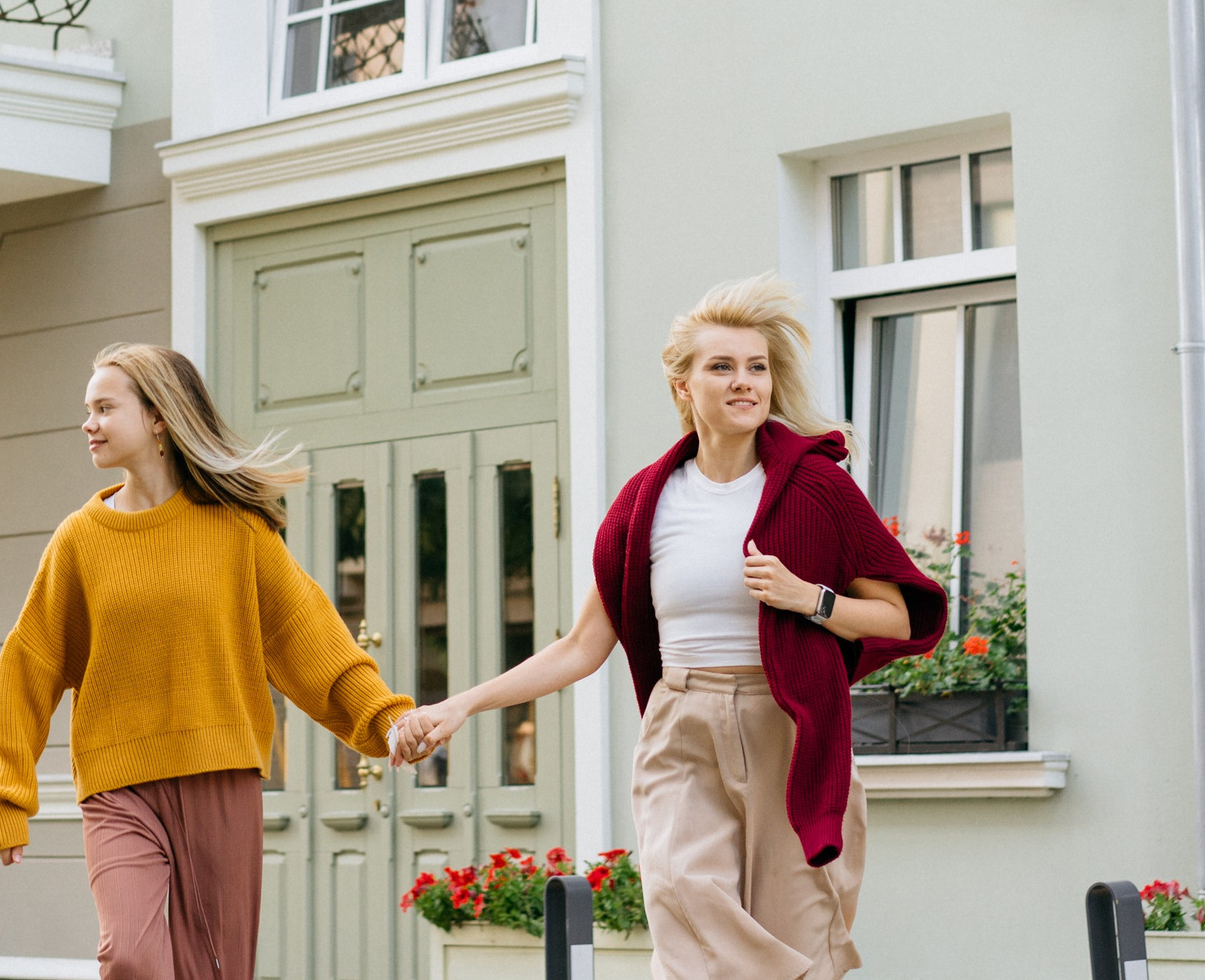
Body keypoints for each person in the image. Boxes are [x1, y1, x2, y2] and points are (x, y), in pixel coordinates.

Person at [390, 274, 945, 979]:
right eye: (722, 366)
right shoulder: (646, 504)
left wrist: (811, 599)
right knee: (686, 906)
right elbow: (581, 646)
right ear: (684, 386)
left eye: (757, 367)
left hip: (793, 726)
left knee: (798, 925)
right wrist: (459, 704)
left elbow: (896, 615)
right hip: (683, 723)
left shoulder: (817, 488)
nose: (744, 382)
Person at [0, 342, 410, 980]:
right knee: (131, 957)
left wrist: (383, 718)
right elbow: (30, 662)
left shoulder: (236, 530)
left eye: (103, 407)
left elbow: (307, 634)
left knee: (217, 969)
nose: (87, 423)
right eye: (85, 409)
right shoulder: (80, 539)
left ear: (158, 418)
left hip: (219, 774)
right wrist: (7, 793)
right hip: (117, 785)